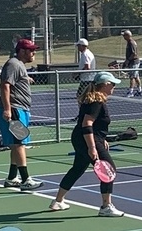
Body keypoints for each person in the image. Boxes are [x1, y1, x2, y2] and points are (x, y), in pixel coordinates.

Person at [50, 72, 127, 216]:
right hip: (87, 140)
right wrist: (92, 147)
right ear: (105, 85)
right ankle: (106, 207)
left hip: (81, 138)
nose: (114, 87)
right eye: (113, 84)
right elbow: (87, 123)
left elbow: (93, 124)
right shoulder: (97, 101)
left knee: (78, 168)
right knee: (109, 170)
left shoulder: (93, 99)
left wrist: (101, 138)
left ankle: (58, 201)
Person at [0, 38, 41, 191]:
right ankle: (25, 179)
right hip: (15, 109)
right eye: (31, 50)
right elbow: (5, 86)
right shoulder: (14, 64)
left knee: (17, 144)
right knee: (19, 143)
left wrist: (25, 79)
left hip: (20, 109)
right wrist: (8, 109)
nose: (34, 53)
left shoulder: (18, 65)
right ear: (22, 51)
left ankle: (11, 177)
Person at [121, 30, 142, 97]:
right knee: (136, 76)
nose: (123, 37)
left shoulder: (131, 43)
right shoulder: (129, 42)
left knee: (132, 77)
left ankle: (131, 91)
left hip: (134, 62)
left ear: (128, 35)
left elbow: (134, 53)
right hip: (132, 62)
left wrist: (128, 60)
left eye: (124, 35)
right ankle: (139, 90)